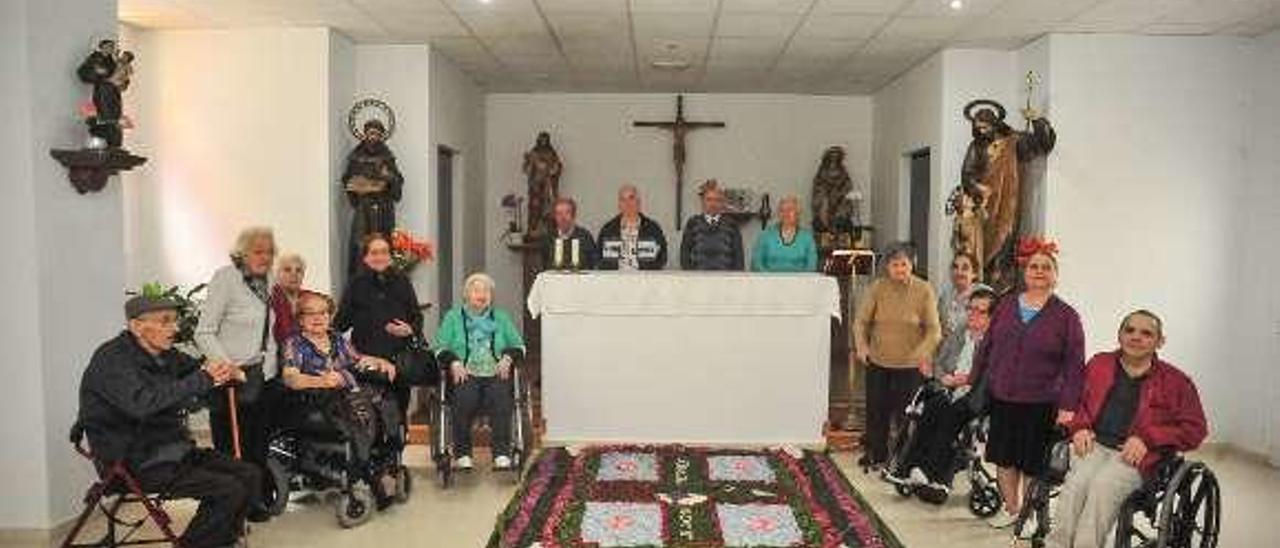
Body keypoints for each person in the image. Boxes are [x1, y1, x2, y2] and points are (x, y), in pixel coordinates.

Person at [79, 295, 263, 547]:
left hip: (171, 450)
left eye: (175, 321)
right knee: (228, 489)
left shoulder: (167, 356)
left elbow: (198, 371)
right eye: (165, 322)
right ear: (136, 326)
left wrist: (224, 371)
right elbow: (143, 404)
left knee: (250, 474)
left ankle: (220, 540)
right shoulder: (112, 360)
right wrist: (203, 378)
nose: (175, 329)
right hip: (133, 460)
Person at [1046, 311, 1207, 548]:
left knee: (1103, 487)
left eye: (1146, 333)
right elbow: (1075, 402)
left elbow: (1195, 429)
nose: (1136, 337)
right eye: (1129, 330)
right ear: (1119, 335)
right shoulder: (1099, 364)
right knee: (1077, 485)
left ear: (1159, 341)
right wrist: (1079, 427)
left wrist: (1149, 439)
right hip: (1094, 444)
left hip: (1139, 455)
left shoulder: (1176, 381)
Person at [969, 237, 1085, 529]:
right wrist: (974, 380)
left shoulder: (1067, 316)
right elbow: (987, 347)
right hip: (1004, 397)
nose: (1039, 271)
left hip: (1042, 401)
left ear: (1055, 276)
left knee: (1032, 463)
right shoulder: (1006, 306)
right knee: (1005, 459)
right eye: (1034, 266)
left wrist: (1069, 406)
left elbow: (1075, 365)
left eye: (1046, 267)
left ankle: (1029, 516)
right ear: (1025, 272)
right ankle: (1010, 510)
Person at [281, 291, 402, 507]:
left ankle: (388, 460)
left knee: (385, 399)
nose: (318, 318)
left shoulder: (336, 338)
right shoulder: (295, 343)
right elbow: (290, 378)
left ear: (330, 316)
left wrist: (382, 362)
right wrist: (322, 381)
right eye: (310, 313)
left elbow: (357, 359)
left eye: (323, 313)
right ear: (300, 319)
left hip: (349, 392)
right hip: (317, 399)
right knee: (357, 411)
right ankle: (367, 473)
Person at [886, 288, 998, 503]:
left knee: (950, 414)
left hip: (975, 397)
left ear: (992, 317)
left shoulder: (994, 343)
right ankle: (908, 469)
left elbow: (989, 377)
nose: (972, 314)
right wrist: (942, 375)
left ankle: (930, 473)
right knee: (930, 409)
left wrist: (964, 380)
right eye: (970, 309)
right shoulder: (961, 333)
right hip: (949, 389)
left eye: (980, 311)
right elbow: (939, 362)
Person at [195, 227, 279, 488]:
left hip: (261, 376)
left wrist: (270, 369)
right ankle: (233, 503)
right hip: (230, 379)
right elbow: (204, 332)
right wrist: (227, 366)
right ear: (242, 253)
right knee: (231, 448)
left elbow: (269, 331)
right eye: (258, 251)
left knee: (258, 444)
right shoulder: (226, 279)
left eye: (269, 252)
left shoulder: (269, 281)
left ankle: (256, 497)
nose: (265, 257)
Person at [852, 242, 942, 470]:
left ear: (912, 265)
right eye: (895, 265)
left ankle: (904, 458)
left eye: (904, 264)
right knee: (876, 410)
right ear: (886, 267)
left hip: (910, 365)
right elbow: (861, 321)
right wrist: (862, 345)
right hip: (879, 360)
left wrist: (922, 355)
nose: (900, 269)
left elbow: (934, 330)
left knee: (906, 414)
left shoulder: (924, 290)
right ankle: (876, 453)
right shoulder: (878, 288)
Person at [432, 273, 526, 471]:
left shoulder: (500, 317)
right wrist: (454, 362)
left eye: (486, 291)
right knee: (463, 398)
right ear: (466, 295)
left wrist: (508, 357)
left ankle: (501, 453)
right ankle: (463, 453)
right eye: (476, 290)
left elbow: (519, 345)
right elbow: (439, 348)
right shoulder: (453, 317)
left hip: (495, 372)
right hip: (465, 373)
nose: (482, 294)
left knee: (502, 398)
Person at [335, 232, 424, 419]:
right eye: (374, 253)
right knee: (370, 414)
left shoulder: (402, 281)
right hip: (368, 362)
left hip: (399, 360)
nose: (380, 257)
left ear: (390, 255)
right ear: (365, 257)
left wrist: (409, 329)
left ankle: (397, 446)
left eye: (384, 252)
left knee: (398, 415)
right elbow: (340, 323)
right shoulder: (355, 284)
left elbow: (416, 317)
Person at [342, 119, 404, 275]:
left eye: (377, 134)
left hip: (383, 207)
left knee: (383, 241)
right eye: (370, 133)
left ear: (381, 136)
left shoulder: (387, 157)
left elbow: (397, 181)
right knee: (360, 243)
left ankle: (383, 278)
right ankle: (359, 279)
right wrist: (355, 187)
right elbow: (347, 179)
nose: (373, 137)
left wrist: (388, 176)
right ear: (365, 134)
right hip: (364, 207)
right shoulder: (356, 156)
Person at [597, 184, 668, 270]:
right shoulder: (608, 230)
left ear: (638, 202)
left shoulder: (653, 229)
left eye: (631, 198)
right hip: (615, 280)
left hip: (645, 280)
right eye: (623, 199)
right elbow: (599, 257)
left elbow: (662, 257)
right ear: (619, 204)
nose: (627, 203)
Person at [680, 180, 743, 271]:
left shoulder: (731, 224)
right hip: (697, 279)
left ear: (722, 203)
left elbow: (738, 257)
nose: (713, 204)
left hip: (725, 279)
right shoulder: (692, 223)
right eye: (709, 199)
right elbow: (684, 254)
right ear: (702, 201)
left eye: (717, 200)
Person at [751, 195, 818, 273]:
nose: (786, 213)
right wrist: (769, 278)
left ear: (798, 213)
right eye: (782, 210)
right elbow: (756, 263)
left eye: (790, 210)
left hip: (799, 282)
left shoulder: (807, 237)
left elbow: (811, 266)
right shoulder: (766, 235)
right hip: (769, 281)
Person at [937, 252, 991, 338]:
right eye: (955, 267)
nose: (959, 272)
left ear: (974, 274)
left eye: (965, 268)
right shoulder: (945, 296)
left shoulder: (984, 293)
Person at [544, 197, 597, 270]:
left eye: (567, 213)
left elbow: (593, 263)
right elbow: (544, 265)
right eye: (559, 213)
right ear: (554, 217)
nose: (563, 217)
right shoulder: (548, 238)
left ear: (574, 215)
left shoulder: (585, 236)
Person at [270, 253, 306, 346]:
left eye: (298, 270)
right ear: (276, 274)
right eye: (287, 270)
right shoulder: (268, 299)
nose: (294, 274)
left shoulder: (311, 298)